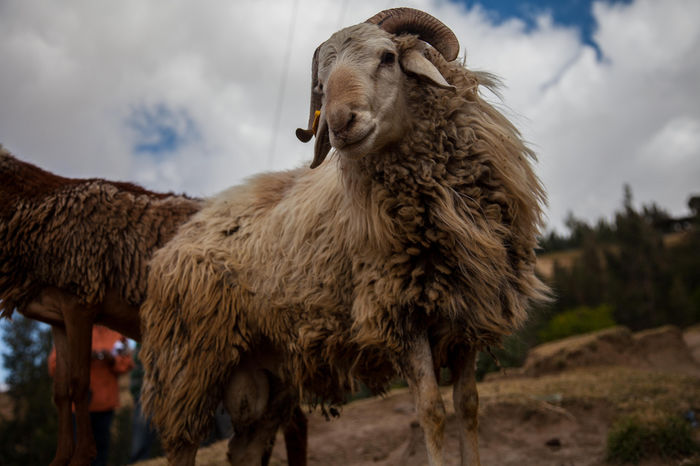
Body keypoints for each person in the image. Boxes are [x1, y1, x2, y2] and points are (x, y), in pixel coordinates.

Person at [49, 325, 134, 466]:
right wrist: (80, 358)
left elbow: (127, 363)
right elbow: (54, 366)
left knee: (100, 452)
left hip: (105, 405)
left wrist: (112, 360)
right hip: (78, 406)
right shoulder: (71, 330)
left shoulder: (116, 333)